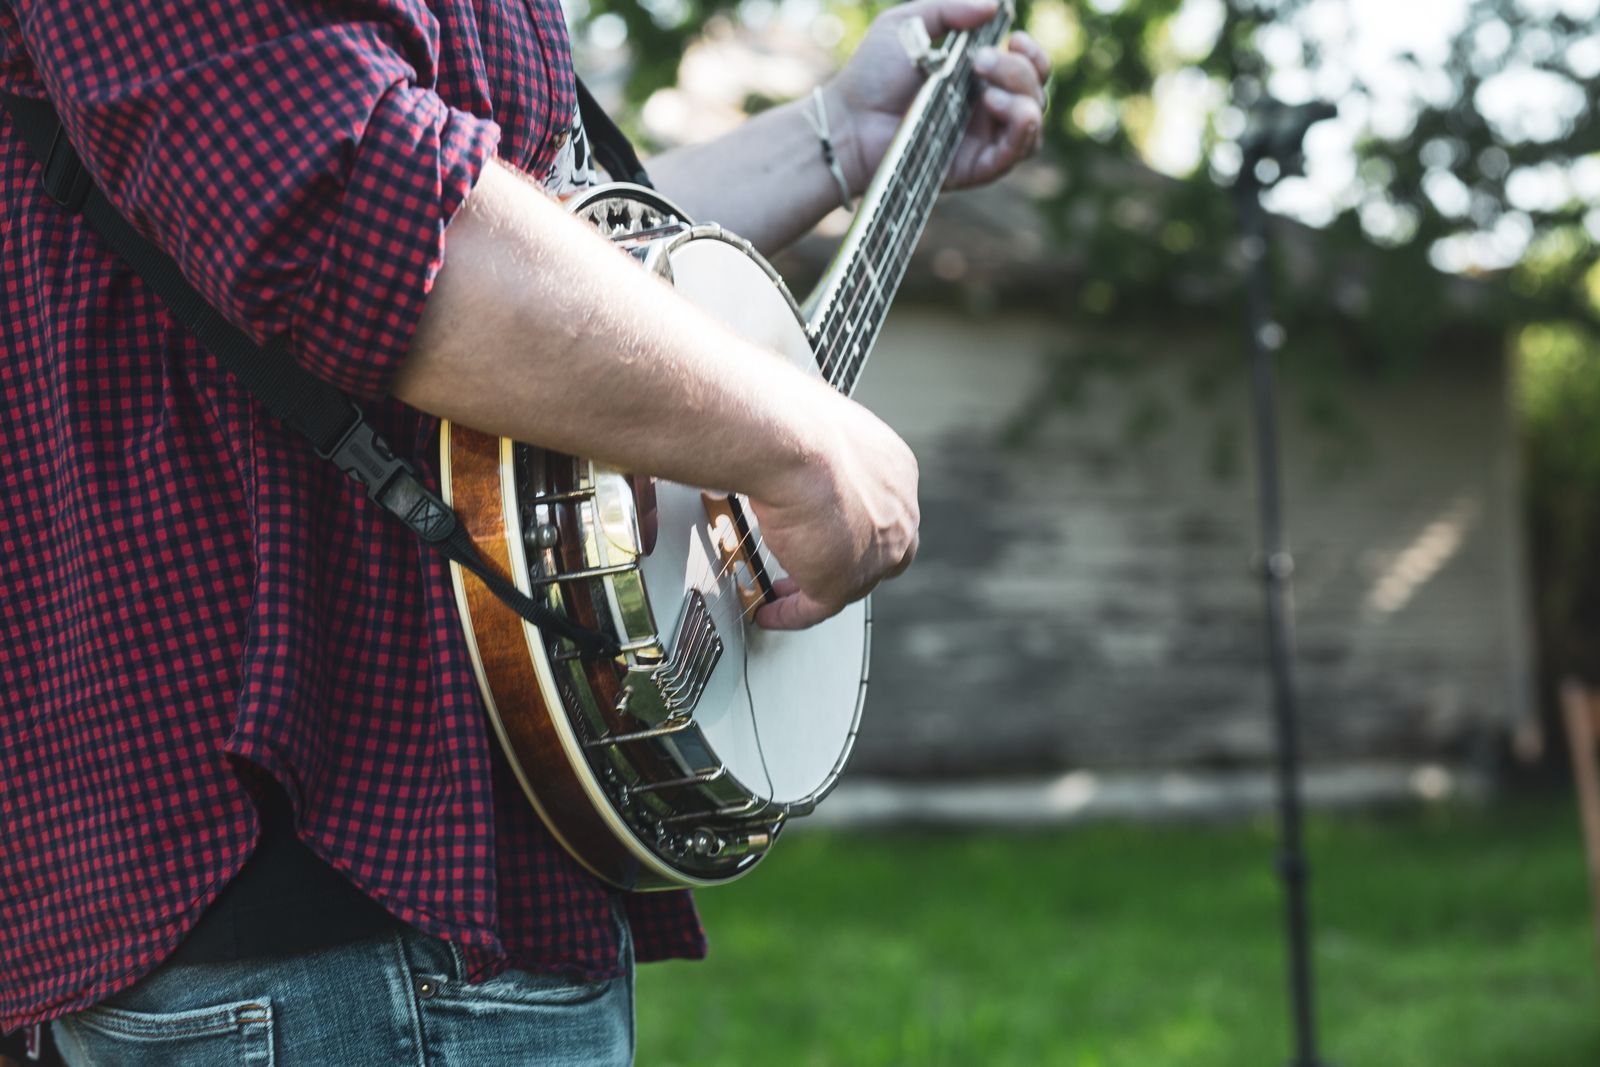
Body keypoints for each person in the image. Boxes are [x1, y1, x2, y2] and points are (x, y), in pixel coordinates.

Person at [0, 0, 1049, 1062]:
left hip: (446, 890)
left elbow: (555, 256)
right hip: (344, 903)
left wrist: (838, 135)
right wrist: (801, 444)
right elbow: (358, 205)